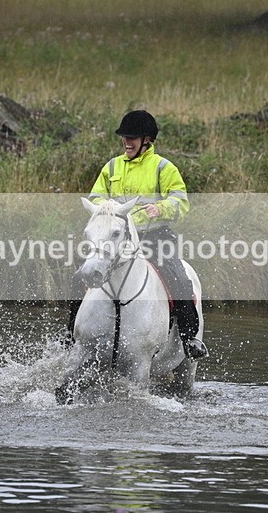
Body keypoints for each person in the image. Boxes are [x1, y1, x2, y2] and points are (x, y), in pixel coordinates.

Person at [67, 110, 208, 360]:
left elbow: (180, 200)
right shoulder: (112, 166)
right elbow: (96, 197)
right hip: (114, 239)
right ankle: (70, 337)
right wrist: (107, 209)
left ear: (147, 140)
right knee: (81, 277)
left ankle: (189, 340)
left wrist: (160, 208)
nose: (126, 142)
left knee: (179, 281)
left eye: (132, 137)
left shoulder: (163, 167)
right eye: (124, 137)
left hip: (154, 237)